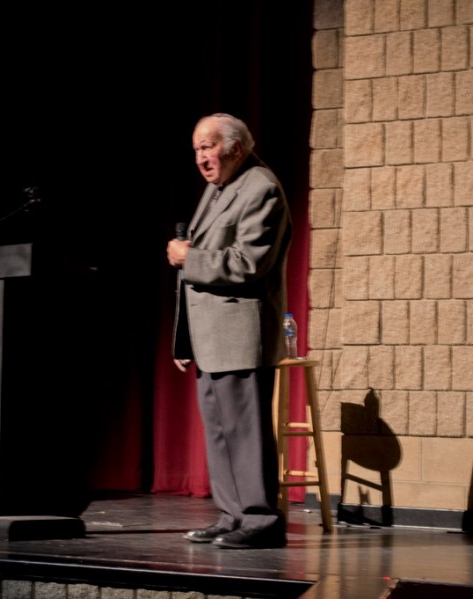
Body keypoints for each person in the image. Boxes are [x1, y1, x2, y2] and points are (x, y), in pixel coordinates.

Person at [166, 113, 292, 549]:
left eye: (208, 147)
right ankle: (232, 514)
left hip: (240, 334)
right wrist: (185, 339)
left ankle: (260, 521)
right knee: (220, 432)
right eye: (197, 149)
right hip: (211, 336)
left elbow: (249, 263)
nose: (201, 158)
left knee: (245, 433)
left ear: (236, 148)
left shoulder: (261, 189)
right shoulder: (219, 189)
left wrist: (188, 259)